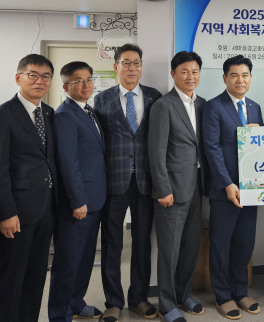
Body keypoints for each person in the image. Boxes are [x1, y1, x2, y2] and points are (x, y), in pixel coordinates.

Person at [0, 54, 59, 322]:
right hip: (16, 212)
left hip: (46, 209)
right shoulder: (0, 116)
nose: (40, 81)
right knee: (11, 278)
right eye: (33, 75)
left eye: (46, 76)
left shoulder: (48, 113)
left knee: (36, 277)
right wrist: (5, 213)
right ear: (19, 78)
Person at [94, 43, 161, 322]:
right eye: (126, 63)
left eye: (136, 63)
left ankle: (138, 298)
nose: (132, 68)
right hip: (114, 180)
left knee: (142, 242)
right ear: (116, 67)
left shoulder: (155, 97)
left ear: (141, 66)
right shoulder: (102, 99)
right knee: (112, 243)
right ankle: (113, 301)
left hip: (146, 181)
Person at [203, 54, 264, 320]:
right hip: (224, 189)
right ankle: (222, 295)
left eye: (245, 75)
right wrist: (227, 183)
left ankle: (240, 290)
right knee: (221, 244)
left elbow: (261, 147)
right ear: (225, 77)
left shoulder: (255, 107)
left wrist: (260, 132)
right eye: (234, 75)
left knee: (244, 243)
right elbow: (212, 149)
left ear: (250, 77)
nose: (240, 80)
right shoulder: (213, 107)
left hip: (252, 188)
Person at [148, 51, 206, 322]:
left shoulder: (202, 104)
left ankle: (185, 295)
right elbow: (156, 151)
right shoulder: (163, 105)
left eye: (194, 71)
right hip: (172, 189)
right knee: (169, 250)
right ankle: (167, 303)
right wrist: (163, 189)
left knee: (190, 246)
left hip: (197, 187)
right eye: (184, 71)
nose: (190, 76)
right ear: (173, 74)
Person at [48, 61, 106, 321]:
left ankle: (75, 303)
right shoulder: (64, 115)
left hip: (95, 199)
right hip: (78, 203)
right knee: (68, 261)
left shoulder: (88, 111)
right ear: (65, 87)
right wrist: (77, 200)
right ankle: (59, 314)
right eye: (79, 81)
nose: (86, 85)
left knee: (84, 259)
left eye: (89, 79)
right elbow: (68, 163)